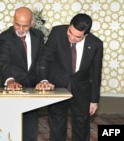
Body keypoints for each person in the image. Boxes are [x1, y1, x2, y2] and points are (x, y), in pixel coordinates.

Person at [36, 13, 103, 141]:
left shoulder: (96, 44)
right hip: (58, 86)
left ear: (86, 35)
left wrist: (94, 100)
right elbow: (45, 58)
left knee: (82, 127)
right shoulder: (57, 32)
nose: (71, 38)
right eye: (70, 32)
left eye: (77, 36)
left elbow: (96, 74)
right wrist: (44, 79)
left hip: (82, 91)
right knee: (57, 125)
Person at [0, 7, 45, 141]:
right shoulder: (5, 37)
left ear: (32, 23)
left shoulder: (38, 36)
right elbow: (3, 61)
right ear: (13, 20)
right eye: (17, 24)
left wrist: (43, 80)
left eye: (25, 26)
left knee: (30, 129)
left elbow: (41, 60)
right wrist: (10, 80)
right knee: (9, 128)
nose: (21, 29)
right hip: (11, 88)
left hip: (31, 88)